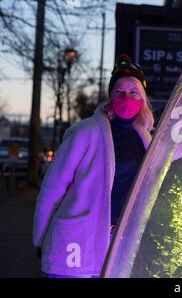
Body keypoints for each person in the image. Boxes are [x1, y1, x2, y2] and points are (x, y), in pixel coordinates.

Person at [33, 54, 154, 278]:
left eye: (133, 91)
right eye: (119, 91)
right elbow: (53, 188)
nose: (125, 97)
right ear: (110, 96)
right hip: (77, 243)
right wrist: (41, 241)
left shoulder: (146, 139)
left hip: (121, 243)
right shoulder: (85, 132)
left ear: (143, 98)